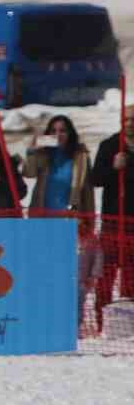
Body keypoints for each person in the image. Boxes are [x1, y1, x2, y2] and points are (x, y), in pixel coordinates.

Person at [90, 107, 134, 324]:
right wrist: (114, 168)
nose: (129, 123)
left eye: (133, 119)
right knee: (106, 273)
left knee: (131, 275)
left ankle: (128, 322)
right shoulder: (109, 146)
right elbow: (96, 178)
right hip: (112, 219)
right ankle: (100, 319)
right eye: (126, 119)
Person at [22, 114, 92, 215]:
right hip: (43, 213)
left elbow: (88, 191)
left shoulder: (81, 156)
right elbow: (29, 174)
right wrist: (32, 152)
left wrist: (89, 219)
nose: (58, 135)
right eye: (53, 131)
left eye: (62, 131)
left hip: (69, 215)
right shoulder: (44, 153)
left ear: (70, 133)